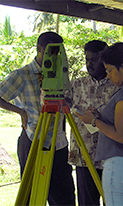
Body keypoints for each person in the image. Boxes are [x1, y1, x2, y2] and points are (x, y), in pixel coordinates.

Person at [0, 32, 75, 205]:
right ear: (39, 49)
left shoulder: (61, 73)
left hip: (59, 142)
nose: (54, 56)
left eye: (58, 51)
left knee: (64, 197)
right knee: (31, 196)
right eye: (50, 51)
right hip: (33, 139)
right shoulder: (22, 74)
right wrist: (20, 112)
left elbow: (68, 101)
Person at [77, 42, 123, 206]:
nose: (108, 75)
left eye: (109, 70)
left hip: (120, 163)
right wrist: (101, 117)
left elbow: (121, 135)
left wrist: (94, 121)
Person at [64, 40, 117, 206]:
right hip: (84, 157)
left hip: (111, 157)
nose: (89, 64)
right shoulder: (76, 84)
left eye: (94, 60)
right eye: (87, 60)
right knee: (87, 203)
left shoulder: (117, 86)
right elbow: (58, 105)